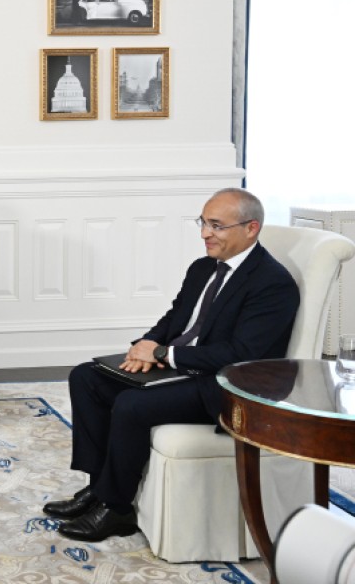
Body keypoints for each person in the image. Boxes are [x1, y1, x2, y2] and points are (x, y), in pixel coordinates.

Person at [44, 188, 300, 543]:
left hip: (225, 386)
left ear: (251, 228)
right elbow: (174, 319)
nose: (205, 234)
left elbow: (240, 353)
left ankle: (116, 509)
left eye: (216, 226)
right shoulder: (202, 268)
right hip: (182, 368)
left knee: (131, 404)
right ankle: (99, 487)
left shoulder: (272, 283)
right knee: (86, 377)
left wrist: (164, 354)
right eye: (203, 223)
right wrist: (143, 346)